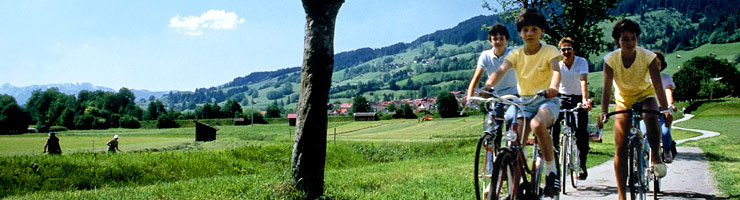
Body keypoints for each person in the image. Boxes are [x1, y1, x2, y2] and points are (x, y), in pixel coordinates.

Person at [483, 8, 562, 197]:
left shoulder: (550, 50)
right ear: (520, 33)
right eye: (525, 30)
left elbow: (556, 71)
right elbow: (501, 71)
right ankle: (516, 172)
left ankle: (551, 171)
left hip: (546, 100)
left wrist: (553, 87)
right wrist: (487, 86)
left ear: (542, 31)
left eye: (534, 29)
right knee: (514, 138)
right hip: (524, 102)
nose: (530, 34)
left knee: (537, 124)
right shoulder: (516, 54)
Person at [597, 19, 673, 200]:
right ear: (618, 41)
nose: (629, 43)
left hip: (645, 95)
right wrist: (603, 111)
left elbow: (657, 85)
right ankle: (622, 195)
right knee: (620, 146)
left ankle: (655, 155)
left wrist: (665, 109)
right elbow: (607, 88)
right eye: (625, 39)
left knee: (649, 114)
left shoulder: (649, 57)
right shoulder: (610, 60)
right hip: (623, 99)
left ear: (637, 40)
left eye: (633, 39)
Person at [464, 24, 518, 150]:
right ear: (490, 41)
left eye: (501, 38)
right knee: (494, 129)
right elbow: (476, 77)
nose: (498, 41)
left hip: (514, 93)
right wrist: (469, 97)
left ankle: (512, 156)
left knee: (511, 124)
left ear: (507, 40)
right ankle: (493, 166)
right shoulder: (485, 55)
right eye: (495, 39)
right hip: (496, 94)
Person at [551, 37, 592, 180]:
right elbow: (554, 83)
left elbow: (583, 80)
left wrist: (585, 100)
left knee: (581, 131)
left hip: (578, 98)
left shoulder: (581, 62)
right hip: (563, 97)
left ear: (574, 50)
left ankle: (582, 164)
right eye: (563, 49)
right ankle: (554, 146)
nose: (566, 52)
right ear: (560, 51)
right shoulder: (557, 63)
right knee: (554, 117)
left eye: (569, 49)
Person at [639, 50, 678, 163]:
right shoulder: (642, 79)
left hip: (662, 111)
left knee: (665, 132)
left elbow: (668, 91)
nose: (655, 66)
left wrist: (670, 104)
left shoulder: (666, 78)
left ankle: (667, 150)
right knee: (645, 134)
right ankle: (643, 158)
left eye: (658, 64)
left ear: (662, 66)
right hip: (646, 111)